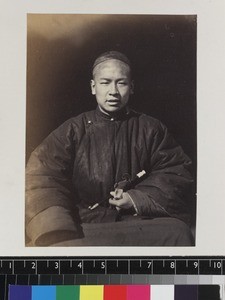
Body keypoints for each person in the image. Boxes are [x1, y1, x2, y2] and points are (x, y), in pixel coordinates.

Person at [26, 51, 194, 246]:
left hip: (135, 223)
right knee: (53, 243)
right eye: (105, 82)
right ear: (93, 87)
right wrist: (55, 223)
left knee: (177, 233)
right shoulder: (72, 130)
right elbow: (42, 174)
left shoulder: (151, 129)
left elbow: (176, 172)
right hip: (84, 224)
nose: (113, 91)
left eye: (121, 83)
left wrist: (134, 198)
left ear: (131, 87)